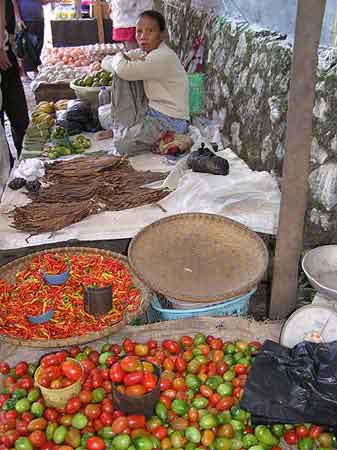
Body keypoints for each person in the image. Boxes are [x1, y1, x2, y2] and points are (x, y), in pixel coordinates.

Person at [100, 10, 190, 156]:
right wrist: (123, 57)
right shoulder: (146, 53)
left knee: (122, 144)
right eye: (139, 31)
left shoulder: (163, 56)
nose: (143, 37)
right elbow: (106, 62)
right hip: (149, 110)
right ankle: (130, 131)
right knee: (103, 115)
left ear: (161, 34)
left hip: (169, 120)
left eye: (150, 31)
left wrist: (121, 56)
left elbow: (123, 70)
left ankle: (173, 138)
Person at [1, 0, 29, 167]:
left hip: (7, 57)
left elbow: (7, 26)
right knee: (18, 116)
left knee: (19, 119)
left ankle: (25, 164)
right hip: (3, 57)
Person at [14, 0, 48, 80]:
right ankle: (24, 74)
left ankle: (36, 70)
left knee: (38, 45)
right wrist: (18, 18)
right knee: (25, 46)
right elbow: (14, 2)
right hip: (25, 19)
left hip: (39, 18)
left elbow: (43, 2)